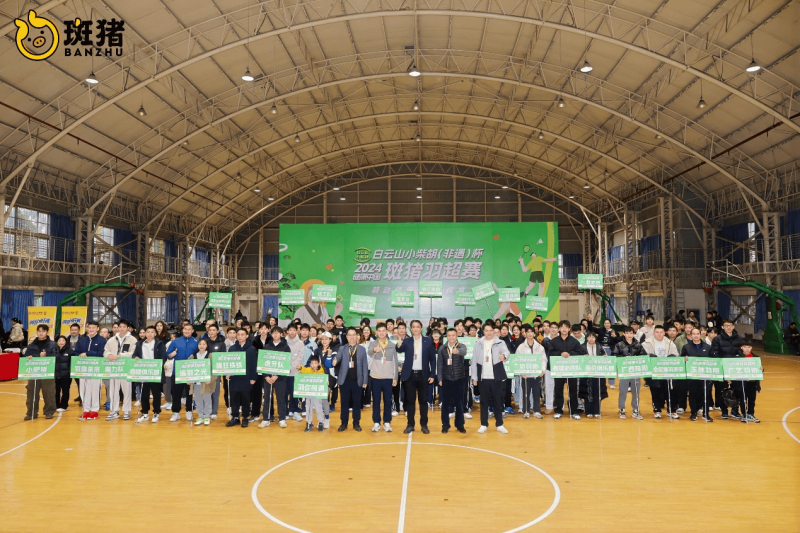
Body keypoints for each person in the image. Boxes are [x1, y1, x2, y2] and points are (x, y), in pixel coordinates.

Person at [396, 320, 436, 434]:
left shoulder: (428, 341)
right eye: (413, 327)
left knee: (423, 401)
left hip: (424, 375)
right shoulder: (407, 341)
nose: (416, 329)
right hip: (410, 375)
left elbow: (433, 359)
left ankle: (424, 425)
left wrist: (432, 374)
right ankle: (410, 424)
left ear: (421, 328)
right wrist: (398, 344)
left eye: (418, 327)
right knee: (410, 401)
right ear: (411, 329)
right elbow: (399, 349)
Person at [470, 323, 511, 433]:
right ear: (483, 331)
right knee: (484, 402)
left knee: (498, 401)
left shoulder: (500, 342)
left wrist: (504, 356)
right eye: (486, 330)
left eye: (490, 330)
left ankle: (499, 424)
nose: (488, 333)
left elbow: (507, 352)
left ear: (494, 331)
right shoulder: (478, 343)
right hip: (483, 377)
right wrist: (474, 377)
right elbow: (474, 361)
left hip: (496, 377)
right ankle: (484, 424)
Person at [545, 320, 586, 420]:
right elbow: (550, 354)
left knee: (573, 390)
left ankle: (574, 411)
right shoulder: (553, 341)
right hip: (558, 370)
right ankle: (558, 410)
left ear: (569, 329)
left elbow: (581, 352)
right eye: (562, 327)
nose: (564, 329)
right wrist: (560, 354)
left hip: (571, 370)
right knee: (558, 390)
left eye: (566, 327)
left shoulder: (574, 341)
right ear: (559, 329)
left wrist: (570, 354)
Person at [334, 327, 369, 432]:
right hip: (344, 381)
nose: (352, 337)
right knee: (344, 403)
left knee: (357, 403)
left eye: (354, 335)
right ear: (347, 337)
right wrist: (334, 360)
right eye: (350, 335)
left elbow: (365, 366)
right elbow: (337, 358)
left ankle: (356, 423)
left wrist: (365, 381)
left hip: (357, 381)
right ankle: (344, 423)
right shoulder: (342, 348)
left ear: (357, 336)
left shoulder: (362, 349)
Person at [367, 323, 399, 432]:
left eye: (383, 331)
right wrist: (374, 350)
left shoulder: (392, 345)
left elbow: (395, 362)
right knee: (376, 401)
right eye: (379, 331)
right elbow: (369, 352)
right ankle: (376, 422)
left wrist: (395, 377)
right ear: (376, 332)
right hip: (375, 377)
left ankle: (387, 422)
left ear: (386, 332)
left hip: (388, 377)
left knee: (387, 401)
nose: (381, 333)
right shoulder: (373, 344)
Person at [642, 325, 678, 419]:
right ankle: (657, 410)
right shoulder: (647, 343)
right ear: (654, 333)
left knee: (670, 391)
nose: (659, 334)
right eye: (657, 332)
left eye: (661, 332)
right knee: (655, 392)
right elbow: (644, 357)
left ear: (664, 333)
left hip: (667, 371)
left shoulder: (670, 343)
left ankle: (671, 411)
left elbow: (675, 355)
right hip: (654, 371)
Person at [257, 326, 291, 428]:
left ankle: (282, 418)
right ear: (271, 334)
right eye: (273, 333)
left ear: (281, 334)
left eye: (277, 332)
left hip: (280, 378)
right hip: (268, 379)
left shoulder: (285, 347)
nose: (275, 334)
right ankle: (266, 419)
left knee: (281, 399)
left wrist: (277, 375)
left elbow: (286, 363)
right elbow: (262, 363)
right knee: (267, 398)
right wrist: (266, 376)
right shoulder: (267, 347)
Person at [23, 325, 58, 420]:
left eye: (43, 331)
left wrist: (46, 356)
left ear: (47, 332)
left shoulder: (52, 344)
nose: (41, 333)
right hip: (34, 372)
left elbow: (56, 357)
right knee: (31, 393)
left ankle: (49, 412)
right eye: (39, 331)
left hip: (47, 372)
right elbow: (25, 356)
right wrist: (28, 358)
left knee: (49, 392)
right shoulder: (32, 345)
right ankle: (31, 413)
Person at [104, 320, 137, 421]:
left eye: (124, 327)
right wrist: (109, 355)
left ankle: (126, 411)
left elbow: (133, 352)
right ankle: (114, 411)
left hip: (126, 368)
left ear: (128, 328)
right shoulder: (111, 340)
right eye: (120, 326)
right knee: (113, 390)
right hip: (114, 368)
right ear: (117, 328)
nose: (122, 328)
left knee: (127, 391)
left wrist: (120, 355)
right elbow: (106, 350)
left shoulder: (132, 339)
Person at [711, 320, 744, 420]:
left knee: (737, 390)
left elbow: (742, 353)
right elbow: (714, 354)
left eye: (730, 325)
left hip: (735, 370)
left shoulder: (740, 339)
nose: (728, 327)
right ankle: (724, 411)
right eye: (726, 325)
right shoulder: (717, 339)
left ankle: (735, 410)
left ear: (733, 327)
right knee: (721, 391)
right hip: (722, 369)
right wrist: (724, 369)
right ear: (722, 327)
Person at [225, 328, 258, 428]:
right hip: (234, 378)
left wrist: (253, 378)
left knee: (245, 399)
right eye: (238, 334)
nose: (240, 336)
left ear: (247, 336)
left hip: (246, 378)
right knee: (234, 399)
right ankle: (235, 417)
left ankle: (245, 417)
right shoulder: (232, 348)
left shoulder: (251, 349)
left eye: (242, 334)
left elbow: (254, 365)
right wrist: (227, 373)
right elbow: (229, 363)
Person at [133, 325, 167, 423]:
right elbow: (134, 354)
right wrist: (135, 357)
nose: (150, 334)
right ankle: (145, 413)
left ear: (155, 334)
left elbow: (163, 357)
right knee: (144, 394)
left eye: (152, 332)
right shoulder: (140, 344)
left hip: (155, 372)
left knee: (156, 394)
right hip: (144, 372)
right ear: (145, 333)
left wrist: (158, 365)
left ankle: (156, 412)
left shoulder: (159, 343)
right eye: (148, 332)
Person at [437, 328, 468, 433]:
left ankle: (460, 425)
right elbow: (439, 365)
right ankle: (445, 425)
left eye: (453, 335)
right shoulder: (442, 348)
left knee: (459, 403)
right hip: (446, 379)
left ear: (456, 336)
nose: (451, 337)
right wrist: (440, 378)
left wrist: (457, 351)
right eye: (449, 335)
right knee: (445, 403)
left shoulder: (461, 346)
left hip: (459, 379)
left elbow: (464, 352)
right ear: (446, 336)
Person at [612, 327, 647, 420]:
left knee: (636, 391)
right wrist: (623, 358)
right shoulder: (619, 344)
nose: (629, 335)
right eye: (627, 333)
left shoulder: (638, 345)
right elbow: (614, 356)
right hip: (624, 372)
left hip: (635, 371)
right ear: (624, 334)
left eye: (631, 333)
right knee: (623, 391)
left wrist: (636, 358)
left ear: (633, 334)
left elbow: (644, 355)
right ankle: (622, 409)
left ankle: (636, 409)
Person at [167, 324, 199, 422]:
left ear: (192, 330)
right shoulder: (175, 341)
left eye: (189, 329)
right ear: (182, 330)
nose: (187, 331)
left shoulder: (197, 342)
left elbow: (200, 355)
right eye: (185, 329)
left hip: (190, 371)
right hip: (177, 371)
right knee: (176, 393)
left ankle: (189, 411)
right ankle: (176, 412)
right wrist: (171, 355)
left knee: (189, 393)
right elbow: (168, 354)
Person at [681, 327, 714, 422]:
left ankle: (706, 414)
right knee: (693, 394)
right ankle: (693, 413)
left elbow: (712, 360)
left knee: (706, 394)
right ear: (691, 335)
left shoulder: (707, 347)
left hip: (705, 375)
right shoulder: (686, 347)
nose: (696, 336)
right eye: (694, 334)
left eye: (697, 334)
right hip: (692, 375)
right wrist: (684, 359)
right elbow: (682, 359)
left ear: (701, 335)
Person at [75, 321, 106, 421]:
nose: (91, 329)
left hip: (96, 369)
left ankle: (94, 410)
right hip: (83, 369)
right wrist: (79, 355)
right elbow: (75, 352)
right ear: (87, 328)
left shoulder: (102, 340)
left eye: (93, 327)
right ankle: (86, 410)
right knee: (84, 390)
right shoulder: (82, 340)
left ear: (97, 329)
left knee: (95, 389)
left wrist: (88, 353)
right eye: (89, 327)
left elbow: (101, 353)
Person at [515, 325, 546, 419]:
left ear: (534, 334)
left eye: (531, 332)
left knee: (536, 393)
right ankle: (526, 411)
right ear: (525, 334)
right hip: (525, 375)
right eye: (527, 332)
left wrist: (542, 371)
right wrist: (521, 373)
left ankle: (536, 411)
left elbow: (544, 359)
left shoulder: (539, 347)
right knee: (526, 394)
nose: (529, 334)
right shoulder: (521, 347)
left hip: (537, 374)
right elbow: (517, 360)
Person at [298, 355, 329, 432]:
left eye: (315, 363)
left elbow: (324, 379)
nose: (314, 365)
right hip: (309, 394)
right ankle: (309, 423)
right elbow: (303, 370)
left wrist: (326, 382)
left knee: (319, 408)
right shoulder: (308, 370)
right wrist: (300, 368)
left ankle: (321, 422)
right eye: (312, 363)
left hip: (317, 394)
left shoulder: (321, 371)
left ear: (318, 363)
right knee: (308, 409)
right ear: (310, 364)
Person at [189, 339, 215, 426]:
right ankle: (200, 416)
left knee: (207, 401)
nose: (202, 346)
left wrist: (210, 379)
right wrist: (188, 380)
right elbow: (187, 368)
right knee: (198, 401)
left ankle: (207, 416)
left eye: (204, 344)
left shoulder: (210, 355)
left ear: (207, 345)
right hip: (196, 384)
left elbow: (214, 370)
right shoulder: (193, 356)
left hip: (206, 384)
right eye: (200, 344)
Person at [285, 324, 306, 422]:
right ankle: (285, 412)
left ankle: (295, 411)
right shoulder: (283, 342)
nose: (292, 332)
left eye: (294, 330)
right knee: (284, 393)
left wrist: (291, 368)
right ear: (287, 331)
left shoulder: (300, 343)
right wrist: (285, 368)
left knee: (294, 393)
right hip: (284, 372)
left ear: (297, 331)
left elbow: (299, 358)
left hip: (294, 372)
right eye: (290, 330)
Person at [738, 342, 762, 423]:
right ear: (741, 347)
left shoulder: (756, 357)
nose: (747, 349)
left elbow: (759, 369)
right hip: (742, 382)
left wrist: (762, 369)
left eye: (749, 347)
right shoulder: (738, 358)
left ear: (751, 348)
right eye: (745, 347)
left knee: (752, 399)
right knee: (743, 399)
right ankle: (744, 414)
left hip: (752, 382)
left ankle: (751, 414)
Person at [53, 335, 74, 412]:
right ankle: (56, 405)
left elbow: (73, 362)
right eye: (59, 341)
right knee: (56, 391)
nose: (61, 342)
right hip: (56, 375)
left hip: (66, 375)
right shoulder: (53, 351)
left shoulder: (70, 351)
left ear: (66, 342)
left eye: (63, 340)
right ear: (57, 342)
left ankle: (64, 405)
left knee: (65, 391)